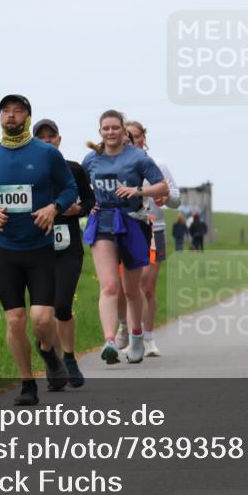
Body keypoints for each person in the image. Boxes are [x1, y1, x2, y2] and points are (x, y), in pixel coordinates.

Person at [0, 94, 78, 406]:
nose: (11, 116)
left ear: (28, 117)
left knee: (43, 319)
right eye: (6, 111)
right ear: (0, 117)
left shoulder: (46, 154)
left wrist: (54, 208)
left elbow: (70, 188)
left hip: (40, 248)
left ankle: (48, 351)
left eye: (18, 111)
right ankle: (27, 383)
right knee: (15, 320)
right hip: (5, 251)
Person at [82, 110, 169, 365]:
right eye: (105, 128)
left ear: (124, 131)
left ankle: (137, 337)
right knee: (109, 286)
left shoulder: (138, 158)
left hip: (132, 223)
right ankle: (109, 341)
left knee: (132, 289)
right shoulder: (91, 160)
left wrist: (137, 190)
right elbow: (80, 188)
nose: (110, 132)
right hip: (103, 225)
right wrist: (89, 204)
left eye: (115, 128)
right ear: (100, 132)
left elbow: (162, 187)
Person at [33, 118, 96, 387]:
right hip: (37, 249)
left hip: (69, 247)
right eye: (42, 138)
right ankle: (53, 361)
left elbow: (89, 198)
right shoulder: (28, 171)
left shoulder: (73, 169)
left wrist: (79, 210)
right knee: (43, 314)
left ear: (59, 140)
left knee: (62, 306)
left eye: (52, 137)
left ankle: (69, 357)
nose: (47, 142)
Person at [120, 120, 181, 358]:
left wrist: (166, 199)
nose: (130, 141)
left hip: (154, 229)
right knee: (129, 287)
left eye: (134, 136)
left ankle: (148, 337)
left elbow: (176, 197)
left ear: (143, 138)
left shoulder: (157, 165)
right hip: (126, 229)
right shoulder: (117, 164)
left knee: (146, 286)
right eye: (126, 138)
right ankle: (128, 331)